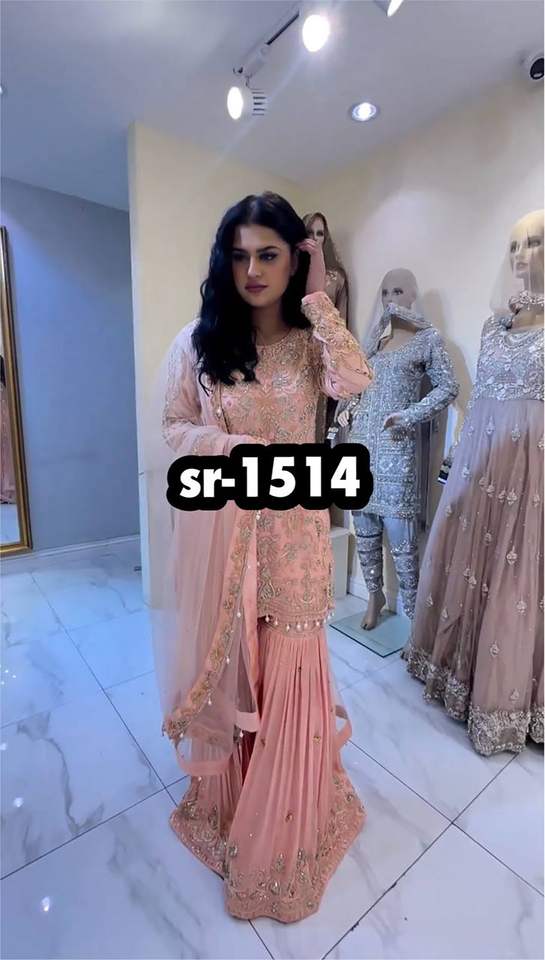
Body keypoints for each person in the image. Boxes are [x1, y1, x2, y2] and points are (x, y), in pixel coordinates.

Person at [152, 192, 373, 922]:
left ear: (294, 260)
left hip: (296, 541)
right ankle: (237, 798)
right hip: (231, 541)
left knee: (289, 671)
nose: (252, 270)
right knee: (237, 664)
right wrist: (232, 448)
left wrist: (319, 301)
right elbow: (174, 426)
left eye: (268, 255)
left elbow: (355, 381)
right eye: (239, 255)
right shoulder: (202, 342)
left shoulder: (313, 342)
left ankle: (284, 824)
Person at [405, 210, 544, 756]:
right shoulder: (493, 327)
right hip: (482, 462)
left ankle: (508, 702)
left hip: (531, 471)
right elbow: (479, 400)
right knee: (465, 565)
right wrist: (457, 457)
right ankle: (453, 675)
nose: (522, 254)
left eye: (534, 242)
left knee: (516, 579)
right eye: (514, 245)